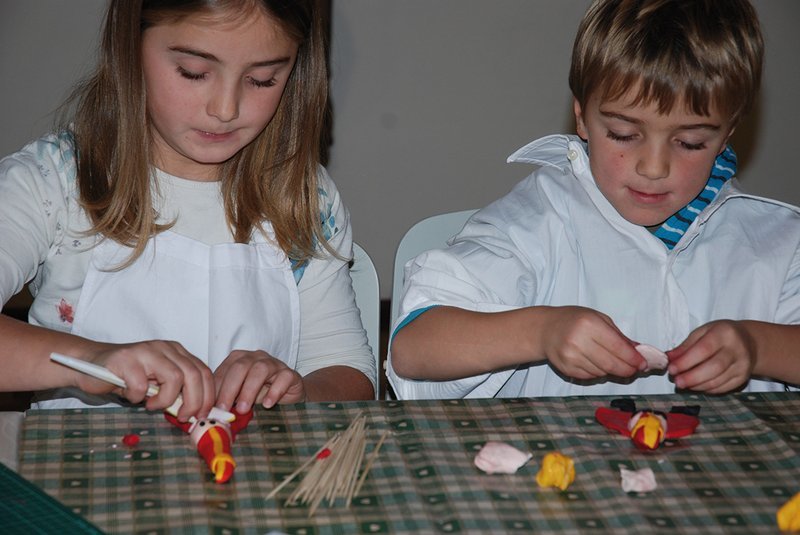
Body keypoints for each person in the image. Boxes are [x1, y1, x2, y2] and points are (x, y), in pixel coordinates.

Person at [388, 0, 800, 399]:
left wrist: (758, 346)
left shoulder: (778, 241)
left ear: (727, 134)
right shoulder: (537, 221)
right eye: (623, 134)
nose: (653, 167)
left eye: (690, 142)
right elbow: (413, 347)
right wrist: (542, 332)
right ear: (582, 118)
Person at [0, 0, 375, 420]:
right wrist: (91, 359)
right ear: (130, 47)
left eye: (262, 79)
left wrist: (300, 393)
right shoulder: (56, 180)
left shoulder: (304, 197)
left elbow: (348, 371)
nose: (225, 109)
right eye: (194, 72)